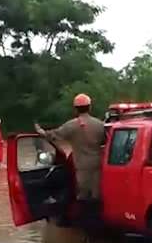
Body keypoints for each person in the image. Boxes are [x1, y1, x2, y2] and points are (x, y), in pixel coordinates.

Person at [34, 94, 105, 225]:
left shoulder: (71, 126)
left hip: (82, 166)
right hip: (100, 164)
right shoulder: (100, 125)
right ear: (90, 107)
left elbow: (53, 136)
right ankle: (97, 224)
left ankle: (86, 229)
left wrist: (40, 131)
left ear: (75, 109)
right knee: (96, 196)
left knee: (83, 197)